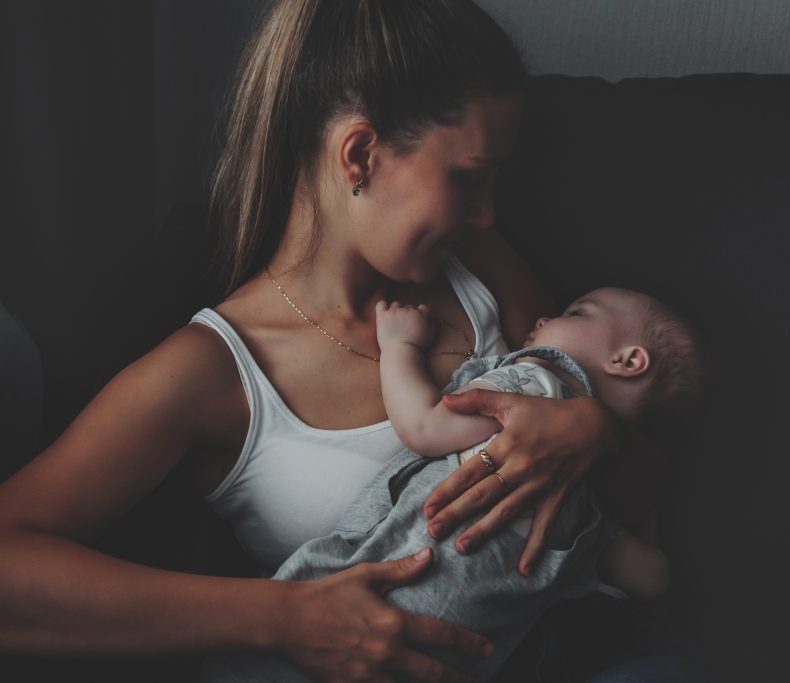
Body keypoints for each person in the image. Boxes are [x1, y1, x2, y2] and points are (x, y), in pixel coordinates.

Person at [0, 1, 677, 681]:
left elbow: (627, 492)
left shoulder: (480, 265)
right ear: (360, 154)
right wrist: (283, 615)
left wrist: (599, 431)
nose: (489, 212)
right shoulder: (211, 371)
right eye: (470, 177)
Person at [204, 287, 704, 681]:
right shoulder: (592, 514)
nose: (543, 319)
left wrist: (400, 348)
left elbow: (424, 428)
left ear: (628, 361)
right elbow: (652, 577)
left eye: (577, 310)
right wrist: (642, 525)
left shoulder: (537, 384)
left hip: (380, 600)